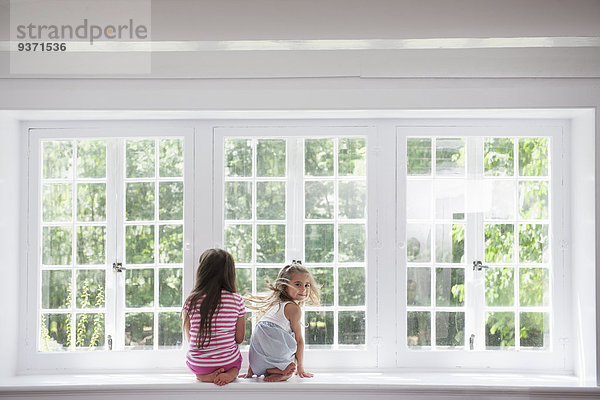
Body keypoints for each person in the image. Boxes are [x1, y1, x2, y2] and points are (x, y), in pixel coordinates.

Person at [240, 260, 320, 382]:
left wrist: (250, 371)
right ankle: (284, 373)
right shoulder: (293, 308)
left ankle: (272, 370)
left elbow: (258, 340)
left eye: (307, 285)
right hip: (276, 353)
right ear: (285, 286)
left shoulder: (274, 305)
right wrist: (301, 368)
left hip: (257, 362)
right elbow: (299, 341)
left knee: (265, 334)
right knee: (292, 340)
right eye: (298, 284)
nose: (304, 289)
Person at [181, 249, 245, 385]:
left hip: (200, 364)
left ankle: (202, 376)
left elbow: (190, 338)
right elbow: (239, 339)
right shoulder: (236, 299)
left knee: (190, 359)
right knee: (237, 362)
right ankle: (231, 373)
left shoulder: (191, 300)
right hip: (227, 362)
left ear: (202, 272)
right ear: (230, 273)